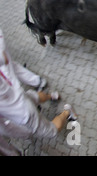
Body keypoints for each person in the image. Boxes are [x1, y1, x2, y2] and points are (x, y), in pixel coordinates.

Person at [0, 27, 77, 155]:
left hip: (24, 114)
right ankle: (52, 95)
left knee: (53, 131)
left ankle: (67, 111)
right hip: (18, 94)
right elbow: (5, 59)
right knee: (33, 97)